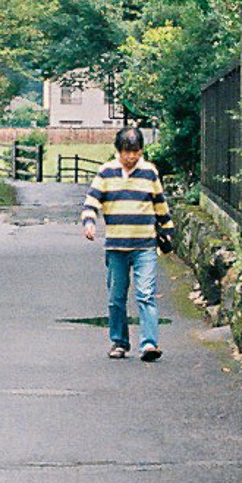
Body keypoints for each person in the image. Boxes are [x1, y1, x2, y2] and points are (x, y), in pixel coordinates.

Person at [79, 126, 173, 361]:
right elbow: (91, 202)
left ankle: (149, 344)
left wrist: (168, 232)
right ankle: (119, 342)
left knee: (146, 294)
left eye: (136, 152)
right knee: (116, 297)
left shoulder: (149, 173)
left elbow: (160, 205)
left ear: (142, 151)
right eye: (126, 152)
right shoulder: (106, 173)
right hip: (116, 246)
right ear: (117, 151)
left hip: (145, 245)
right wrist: (89, 222)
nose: (131, 157)